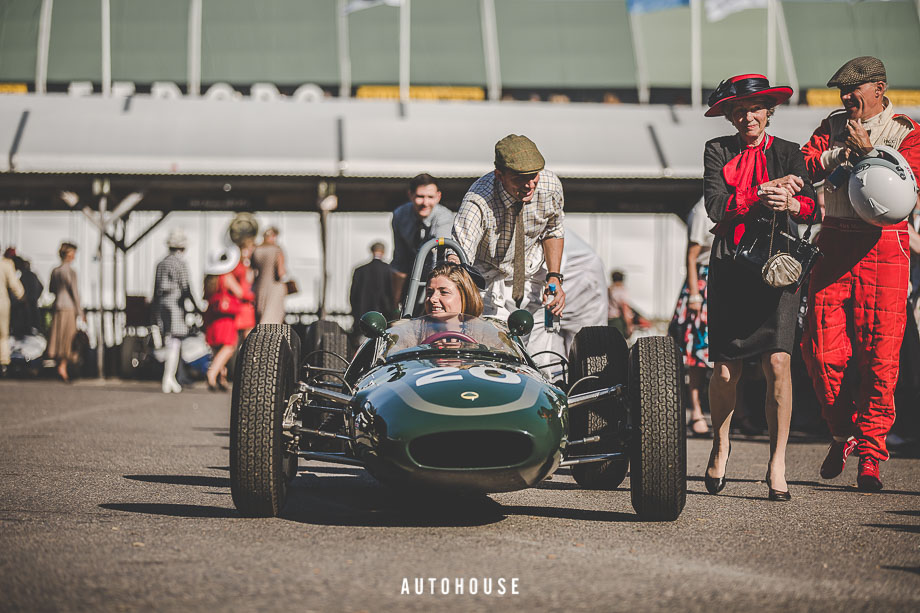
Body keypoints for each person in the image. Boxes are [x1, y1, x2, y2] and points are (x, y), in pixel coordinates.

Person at [799, 56, 920, 491]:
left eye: (855, 90)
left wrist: (870, 154)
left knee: (880, 358)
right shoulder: (829, 126)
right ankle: (841, 431)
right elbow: (803, 165)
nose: (847, 98)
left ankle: (870, 453)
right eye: (842, 93)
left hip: (884, 246)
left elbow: (914, 185)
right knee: (821, 351)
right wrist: (842, 152)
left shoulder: (906, 131)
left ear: (879, 87)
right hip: (834, 243)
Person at [702, 74, 819, 501]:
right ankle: (720, 443)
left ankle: (777, 463)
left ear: (769, 113)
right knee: (726, 370)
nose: (747, 116)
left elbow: (809, 209)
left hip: (779, 268)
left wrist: (790, 202)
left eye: (755, 109)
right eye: (738, 110)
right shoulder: (717, 150)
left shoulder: (789, 152)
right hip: (732, 266)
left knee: (778, 366)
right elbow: (716, 206)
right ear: (731, 117)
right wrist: (760, 193)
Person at [451, 134, 565, 360]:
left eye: (533, 176)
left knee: (541, 355)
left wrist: (555, 277)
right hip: (490, 280)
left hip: (533, 274)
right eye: (520, 179)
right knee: (497, 354)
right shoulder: (478, 200)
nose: (529, 184)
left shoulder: (550, 186)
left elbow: (554, 230)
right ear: (499, 175)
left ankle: (544, 385)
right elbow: (458, 256)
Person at [669, 198, 716, 437]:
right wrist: (695, 295)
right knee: (698, 351)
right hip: (703, 280)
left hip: (723, 280)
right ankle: (695, 410)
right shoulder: (701, 210)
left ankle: (736, 412)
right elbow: (692, 254)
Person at [391, 174, 455, 312]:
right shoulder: (400, 215)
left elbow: (441, 255)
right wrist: (395, 303)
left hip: (436, 274)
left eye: (430, 197)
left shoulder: (445, 217)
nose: (425, 202)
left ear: (438, 196)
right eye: (420, 196)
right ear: (410, 195)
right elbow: (400, 261)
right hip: (412, 274)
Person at [153, 229, 198, 394]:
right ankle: (169, 376)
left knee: (169, 340)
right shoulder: (181, 264)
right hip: (175, 304)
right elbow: (186, 287)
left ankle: (171, 378)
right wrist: (195, 306)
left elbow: (155, 288)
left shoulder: (161, 263)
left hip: (162, 304)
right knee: (175, 341)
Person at [203, 247, 245, 391]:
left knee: (216, 348)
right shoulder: (226, 276)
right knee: (228, 347)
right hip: (225, 318)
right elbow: (239, 292)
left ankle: (222, 378)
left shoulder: (209, 278)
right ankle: (212, 373)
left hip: (211, 316)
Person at [48, 241, 84, 382]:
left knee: (58, 337)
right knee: (68, 339)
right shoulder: (71, 272)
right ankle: (63, 367)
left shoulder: (55, 271)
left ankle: (60, 366)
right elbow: (74, 293)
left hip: (57, 307)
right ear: (68, 255)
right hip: (69, 308)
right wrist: (80, 312)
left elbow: (51, 289)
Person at [350, 242, 394, 322]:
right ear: (383, 252)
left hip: (362, 315)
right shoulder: (390, 270)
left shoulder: (360, 271)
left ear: (371, 251)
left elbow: (353, 295)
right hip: (384, 315)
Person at [251, 227, 287, 325]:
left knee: (261, 317)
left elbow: (252, 271)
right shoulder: (277, 250)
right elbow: (281, 273)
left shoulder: (256, 250)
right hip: (274, 289)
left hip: (260, 288)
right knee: (273, 320)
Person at [4, 250, 43, 339]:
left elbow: (16, 291)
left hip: (23, 307)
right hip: (29, 305)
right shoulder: (30, 275)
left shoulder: (23, 276)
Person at [0, 246, 25, 376]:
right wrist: (21, 296)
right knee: (3, 334)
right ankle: (3, 363)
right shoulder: (6, 264)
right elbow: (15, 285)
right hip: (2, 302)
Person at [233, 238, 257, 341]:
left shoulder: (248, 266)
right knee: (244, 337)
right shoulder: (239, 266)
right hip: (243, 304)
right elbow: (242, 287)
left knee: (247, 336)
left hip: (247, 304)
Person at [607, 271, 634, 339]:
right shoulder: (622, 290)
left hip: (607, 320)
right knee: (618, 344)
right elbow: (624, 307)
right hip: (617, 321)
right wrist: (629, 325)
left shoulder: (608, 289)